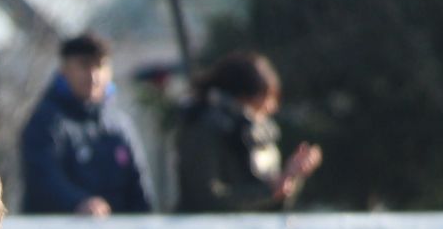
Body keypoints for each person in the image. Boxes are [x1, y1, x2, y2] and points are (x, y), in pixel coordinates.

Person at [19, 32, 154, 216]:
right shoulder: (46, 122)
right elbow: (43, 179)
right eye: (84, 66)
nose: (93, 76)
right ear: (65, 69)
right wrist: (77, 203)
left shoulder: (120, 127)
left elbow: (139, 189)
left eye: (99, 66)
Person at [174, 51, 323, 213]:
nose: (271, 108)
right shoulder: (205, 127)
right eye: (266, 98)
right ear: (244, 97)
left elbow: (272, 205)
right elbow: (206, 198)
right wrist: (269, 191)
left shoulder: (257, 134)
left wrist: (292, 176)